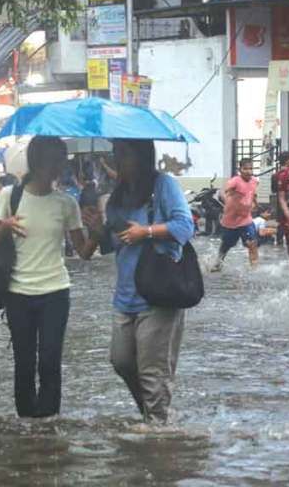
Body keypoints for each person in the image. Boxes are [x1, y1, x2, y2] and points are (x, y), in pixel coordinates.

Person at [80, 139, 195, 423]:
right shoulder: (119, 194)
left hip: (157, 292)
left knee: (153, 373)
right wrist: (97, 231)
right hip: (125, 295)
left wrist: (147, 231)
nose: (118, 162)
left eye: (124, 155)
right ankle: (150, 415)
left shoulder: (163, 185)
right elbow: (115, 241)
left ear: (141, 157)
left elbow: (185, 225)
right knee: (120, 361)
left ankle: (157, 433)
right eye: (116, 155)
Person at [0, 136, 85, 418]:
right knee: (24, 363)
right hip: (18, 293)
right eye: (54, 160)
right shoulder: (10, 196)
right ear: (39, 161)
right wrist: (5, 226)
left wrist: (100, 229)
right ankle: (27, 428)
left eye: (61, 160)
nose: (59, 167)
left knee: (50, 362)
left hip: (56, 292)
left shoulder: (67, 203)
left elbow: (84, 251)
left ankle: (48, 427)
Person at [212, 158, 259, 271]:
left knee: (252, 243)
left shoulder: (254, 181)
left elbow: (253, 193)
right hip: (231, 221)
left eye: (250, 168)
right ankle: (218, 263)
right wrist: (226, 200)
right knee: (226, 246)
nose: (248, 171)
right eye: (245, 169)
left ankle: (254, 269)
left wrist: (255, 203)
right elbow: (222, 192)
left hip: (245, 219)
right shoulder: (235, 181)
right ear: (240, 170)